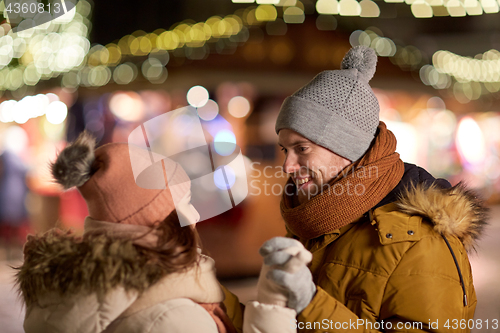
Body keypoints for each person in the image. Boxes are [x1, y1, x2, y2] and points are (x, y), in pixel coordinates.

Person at [258, 45, 488, 332]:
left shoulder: (419, 242)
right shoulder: (315, 224)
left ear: (348, 149)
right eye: (285, 149)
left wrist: (311, 304)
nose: (287, 166)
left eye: (301, 148)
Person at [14, 131, 291, 333]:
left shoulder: (80, 295)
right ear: (154, 224)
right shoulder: (173, 318)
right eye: (183, 205)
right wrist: (275, 306)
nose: (193, 216)